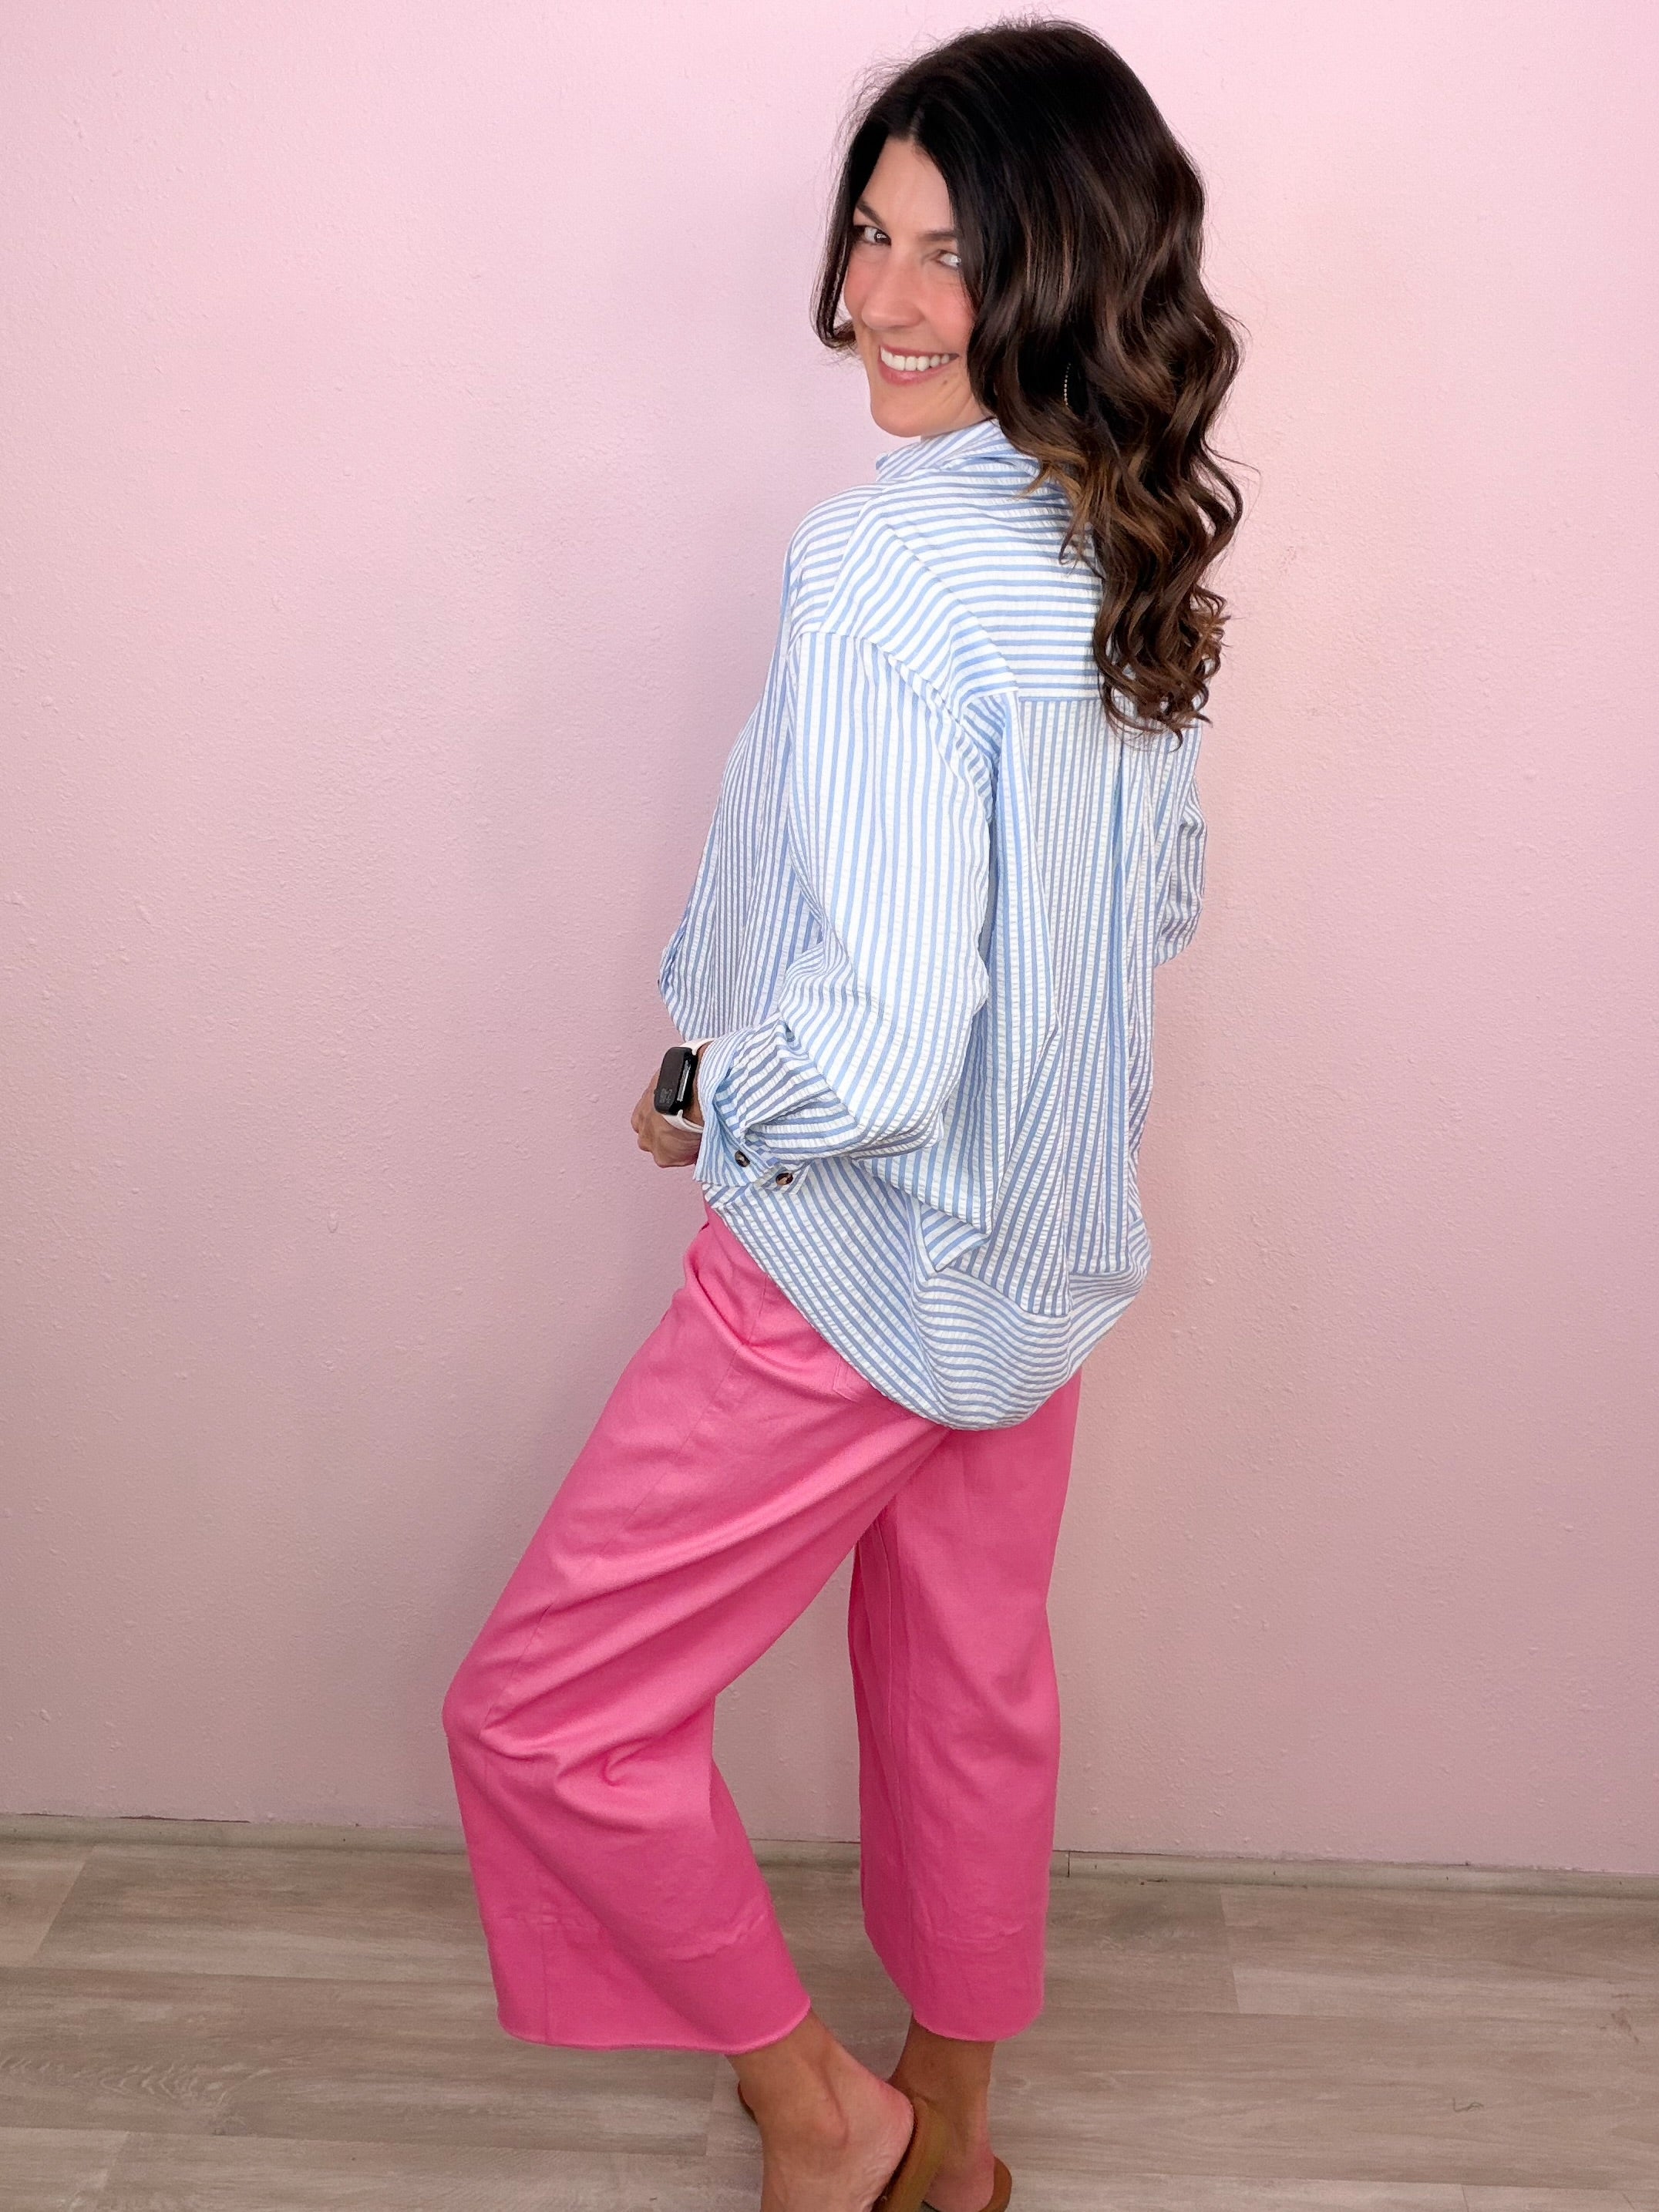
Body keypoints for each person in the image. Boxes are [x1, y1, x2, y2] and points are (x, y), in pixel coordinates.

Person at [443, 20, 1244, 2211]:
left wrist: (725, 1094)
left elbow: (879, 1049)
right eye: (870, 238)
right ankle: (955, 2148)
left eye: (949, 255)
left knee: (542, 1709)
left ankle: (822, 2114)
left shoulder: (885, 566)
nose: (880, 300)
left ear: (1063, 269)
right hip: (1043, 1265)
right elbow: (1152, 909)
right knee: (971, 1696)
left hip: (852, 1266)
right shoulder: (1121, 548)